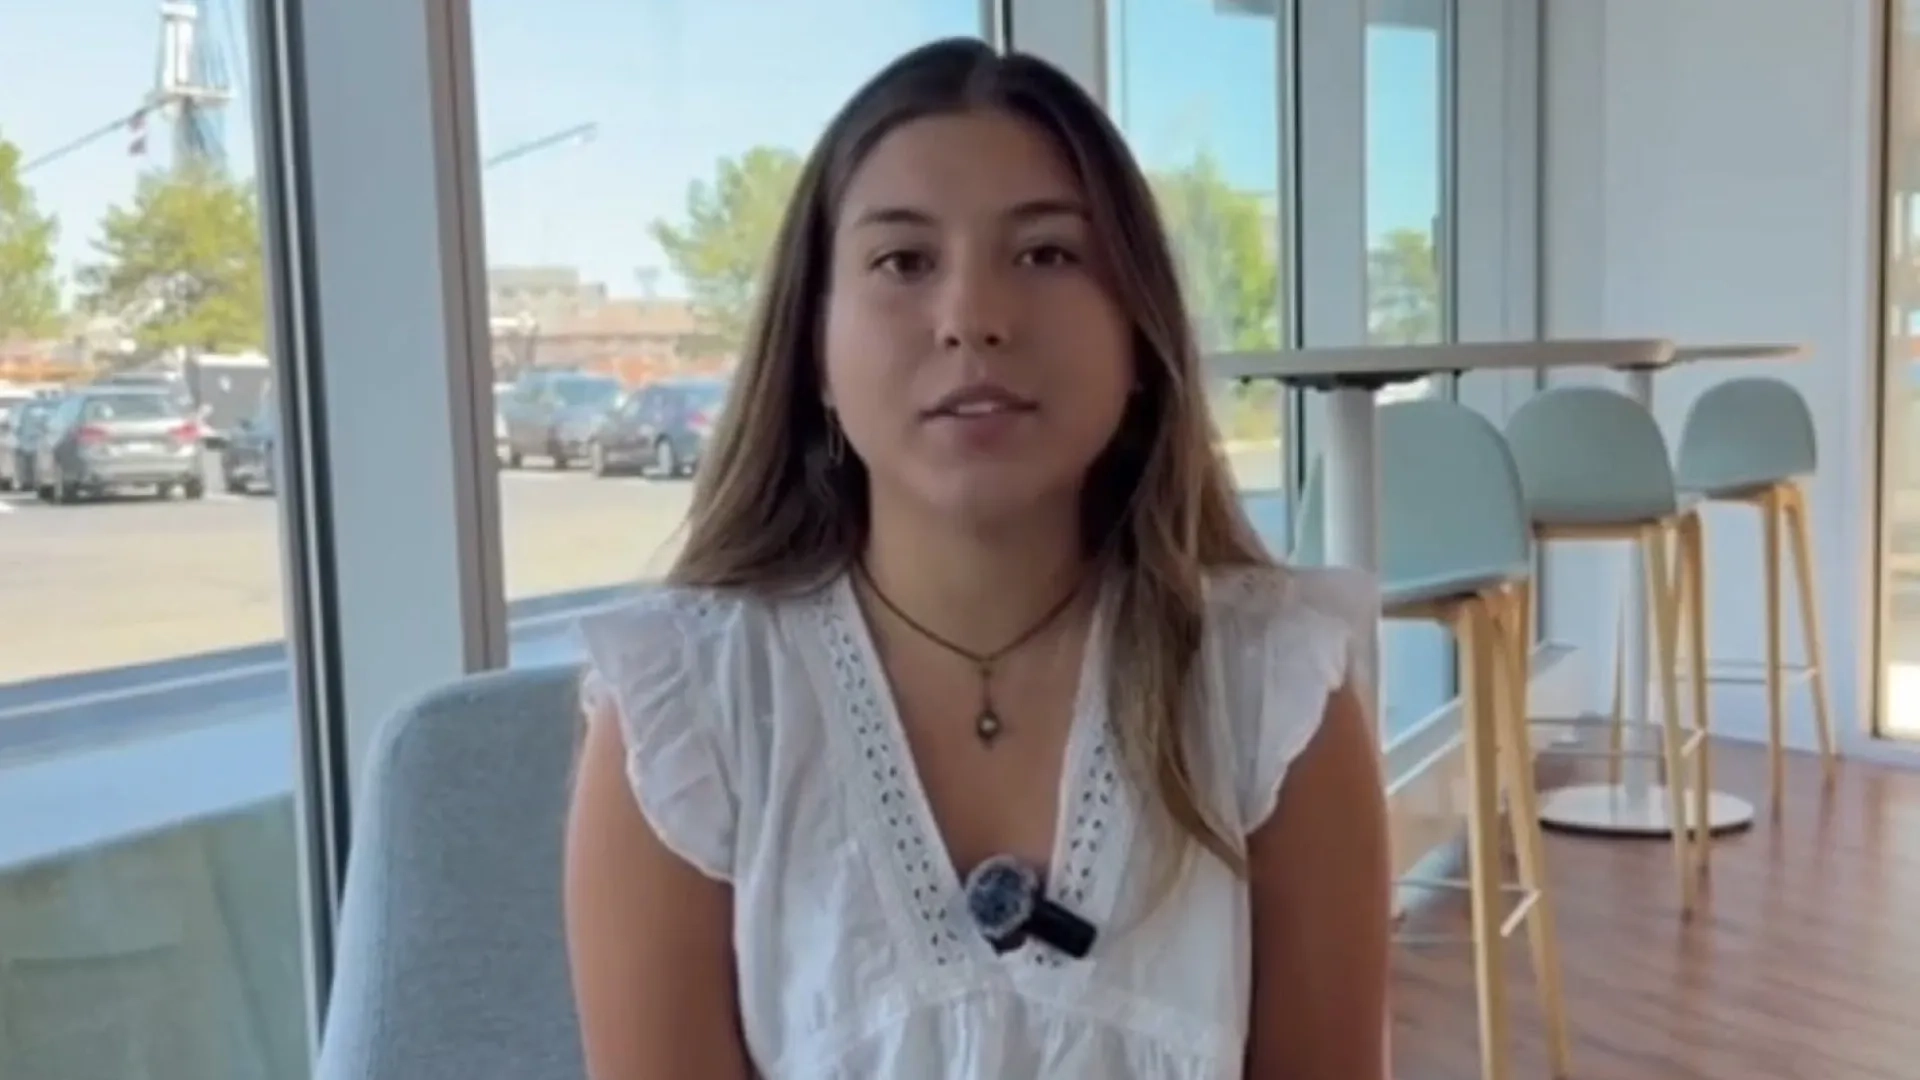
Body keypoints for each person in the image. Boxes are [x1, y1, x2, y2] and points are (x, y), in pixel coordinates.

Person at [564, 37, 1391, 1080]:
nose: (973, 319)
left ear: (1138, 334)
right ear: (813, 349)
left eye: (1046, 254)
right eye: (903, 262)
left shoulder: (1275, 693)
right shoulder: (685, 712)